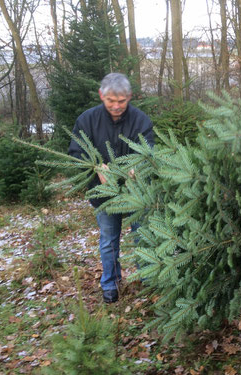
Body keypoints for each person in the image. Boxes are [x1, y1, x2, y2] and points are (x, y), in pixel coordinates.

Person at [68, 72, 155, 304]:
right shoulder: (87, 120)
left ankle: (147, 279)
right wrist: (96, 166)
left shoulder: (141, 120)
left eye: (122, 101)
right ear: (101, 96)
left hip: (137, 193)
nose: (116, 106)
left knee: (142, 237)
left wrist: (138, 166)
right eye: (111, 101)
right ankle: (110, 284)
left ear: (129, 96)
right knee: (108, 240)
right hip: (103, 195)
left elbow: (150, 152)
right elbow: (76, 152)